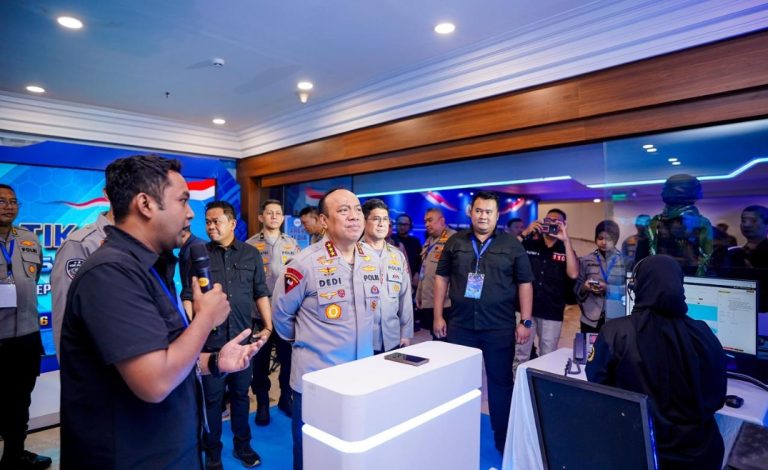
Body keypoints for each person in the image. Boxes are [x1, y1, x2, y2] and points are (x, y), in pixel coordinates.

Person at [60, 155, 265, 469]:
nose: (190, 212)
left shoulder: (151, 267)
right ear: (145, 204)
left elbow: (165, 354)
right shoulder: (111, 272)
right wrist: (206, 318)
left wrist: (213, 361)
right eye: (182, 200)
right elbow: (155, 381)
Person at [273, 188, 380, 470]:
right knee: (311, 453)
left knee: (353, 452)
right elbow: (282, 316)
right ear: (323, 221)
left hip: (361, 379)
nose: (354, 216)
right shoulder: (304, 264)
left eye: (357, 209)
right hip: (317, 382)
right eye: (343, 210)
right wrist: (307, 342)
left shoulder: (372, 258)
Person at [587, 255, 727, 470]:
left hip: (639, 451)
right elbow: (717, 397)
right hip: (700, 456)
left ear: (637, 288)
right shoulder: (703, 332)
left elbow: (597, 386)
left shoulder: (616, 332)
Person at [433, 191, 534, 453]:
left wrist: (525, 321)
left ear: (497, 215)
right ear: (471, 212)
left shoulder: (511, 245)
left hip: (499, 327)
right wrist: (438, 315)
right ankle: (455, 433)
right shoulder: (455, 242)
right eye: (478, 210)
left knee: (500, 384)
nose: (483, 216)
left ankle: (502, 437)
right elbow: (442, 278)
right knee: (457, 381)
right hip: (460, 325)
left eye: (489, 211)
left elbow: (525, 283)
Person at [183, 200, 272, 470]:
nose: (211, 227)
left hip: (243, 340)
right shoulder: (197, 254)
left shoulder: (250, 254)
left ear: (232, 223)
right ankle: (212, 453)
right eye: (208, 222)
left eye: (216, 221)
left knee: (241, 396)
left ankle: (243, 446)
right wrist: (193, 330)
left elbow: (260, 292)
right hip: (210, 344)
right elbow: (188, 296)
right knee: (211, 400)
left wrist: (268, 326)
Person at [0, 184, 52, 470]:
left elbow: (34, 275)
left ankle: (14, 455)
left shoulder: (29, 239)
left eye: (13, 201)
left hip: (26, 337)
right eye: (1, 201)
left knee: (20, 400)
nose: (8, 206)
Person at [245, 199, 300, 425]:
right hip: (259, 315)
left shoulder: (293, 244)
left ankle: (286, 399)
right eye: (270, 213)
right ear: (261, 217)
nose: (274, 216)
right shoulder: (249, 245)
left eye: (278, 213)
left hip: (285, 313)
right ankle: (263, 404)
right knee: (260, 363)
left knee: (288, 361)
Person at [514, 208, 578, 370]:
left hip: (551, 311)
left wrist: (566, 241)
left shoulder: (565, 249)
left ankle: (541, 385)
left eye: (556, 221)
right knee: (520, 352)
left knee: (548, 355)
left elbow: (573, 273)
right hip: (525, 310)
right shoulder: (530, 243)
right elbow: (508, 253)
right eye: (548, 220)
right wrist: (524, 233)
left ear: (564, 224)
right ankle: (517, 384)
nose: (551, 224)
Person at [51, 202, 114, 359]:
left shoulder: (145, 240)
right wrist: (70, 366)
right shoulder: (80, 243)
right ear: (108, 194)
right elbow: (65, 311)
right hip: (98, 357)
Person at [361, 198, 413, 353]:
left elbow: (405, 297)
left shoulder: (397, 255)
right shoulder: (352, 254)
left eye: (385, 219)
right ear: (364, 221)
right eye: (376, 219)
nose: (381, 224)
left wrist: (406, 333)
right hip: (363, 340)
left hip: (393, 338)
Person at [643, 174, 713, 276]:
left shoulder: (701, 223)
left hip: (688, 278)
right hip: (658, 276)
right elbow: (647, 256)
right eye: (666, 189)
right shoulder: (655, 221)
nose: (663, 193)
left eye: (670, 189)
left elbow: (704, 261)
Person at [575, 220, 625, 333]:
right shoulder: (585, 260)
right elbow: (576, 288)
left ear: (615, 240)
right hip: (590, 319)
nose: (604, 242)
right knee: (589, 345)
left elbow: (631, 290)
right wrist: (585, 287)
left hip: (616, 317)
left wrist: (608, 288)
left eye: (608, 239)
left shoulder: (625, 262)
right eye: (600, 238)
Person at [415, 207, 455, 339]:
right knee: (435, 337)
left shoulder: (454, 239)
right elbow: (424, 270)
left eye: (430, 220)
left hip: (446, 303)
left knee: (447, 340)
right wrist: (419, 294)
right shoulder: (429, 240)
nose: (427, 224)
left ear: (442, 221)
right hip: (429, 299)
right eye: (425, 221)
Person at [392, 213, 422, 280]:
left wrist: (417, 273)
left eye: (405, 224)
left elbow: (421, 260)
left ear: (410, 226)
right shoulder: (390, 240)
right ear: (396, 225)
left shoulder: (416, 242)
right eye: (400, 224)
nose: (402, 227)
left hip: (411, 279)